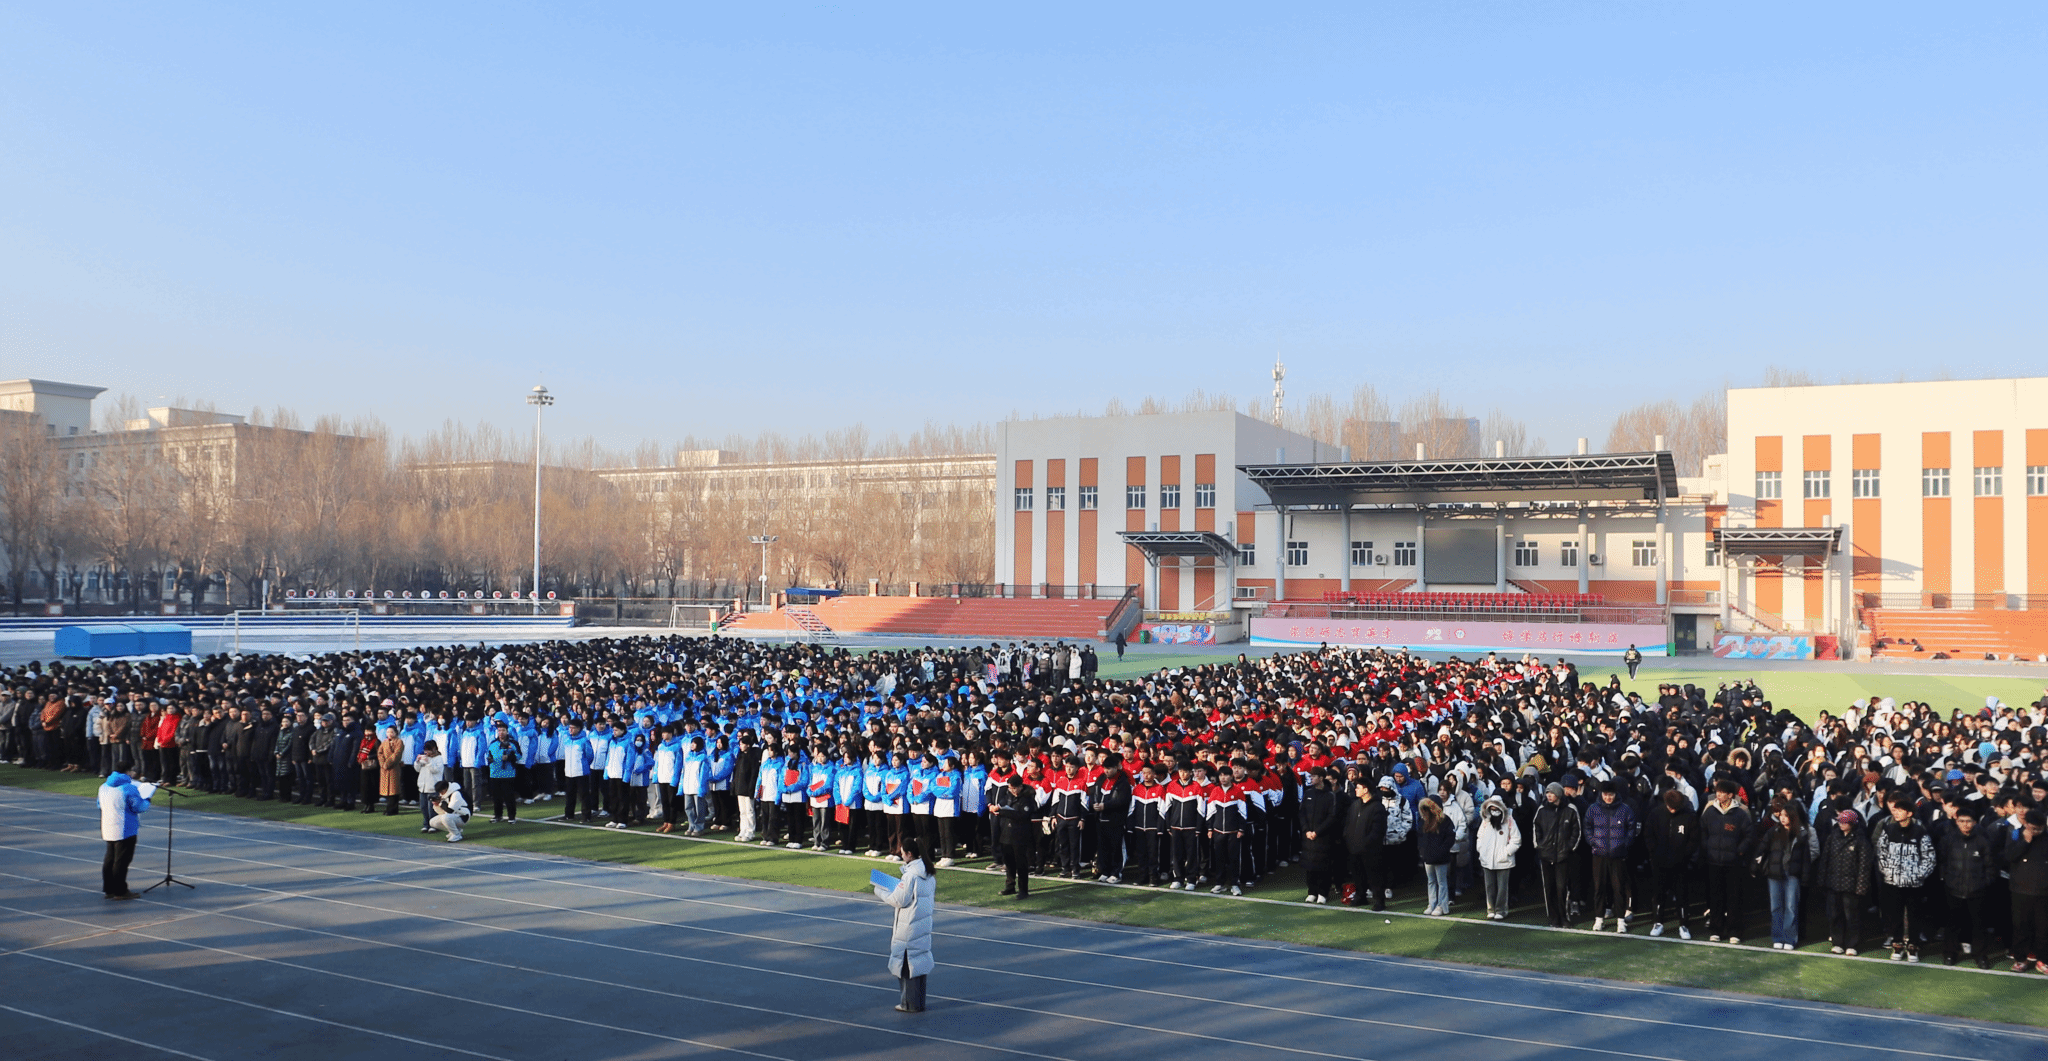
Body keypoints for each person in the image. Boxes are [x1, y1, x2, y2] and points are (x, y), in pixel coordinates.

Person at [876, 835, 937, 1013]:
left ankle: (908, 1004)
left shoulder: (910, 876)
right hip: (922, 924)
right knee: (919, 964)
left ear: (910, 854)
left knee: (907, 966)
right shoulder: (928, 873)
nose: (901, 855)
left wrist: (880, 890)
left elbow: (899, 900)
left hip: (908, 925)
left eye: (902, 852)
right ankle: (918, 1002)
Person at [1873, 792, 1937, 962]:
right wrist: (1888, 872)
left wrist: (1917, 875)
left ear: (1909, 813)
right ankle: (1897, 945)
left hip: (1913, 884)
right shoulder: (1888, 830)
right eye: (1895, 810)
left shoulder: (1920, 832)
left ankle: (1913, 947)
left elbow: (1929, 858)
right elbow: (1881, 853)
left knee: (1915, 916)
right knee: (1894, 915)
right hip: (1892, 882)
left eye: (1900, 810)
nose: (1896, 813)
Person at [1698, 778, 1752, 943]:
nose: (1719, 795)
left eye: (1722, 792)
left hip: (1733, 863)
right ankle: (1716, 930)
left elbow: (1749, 835)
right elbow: (1702, 831)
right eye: (1718, 792)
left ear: (1730, 795)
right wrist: (1707, 847)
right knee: (1716, 898)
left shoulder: (1740, 813)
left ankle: (1734, 931)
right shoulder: (1710, 811)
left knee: (1734, 898)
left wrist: (1739, 851)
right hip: (1713, 862)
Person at [1756, 799, 1811, 950]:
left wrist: (1805, 877)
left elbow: (1806, 858)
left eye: (1786, 815)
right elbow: (1762, 848)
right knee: (1776, 907)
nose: (1782, 818)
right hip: (1774, 873)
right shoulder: (1773, 831)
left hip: (1792, 873)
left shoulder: (1801, 834)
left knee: (1791, 907)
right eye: (1781, 815)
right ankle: (1778, 937)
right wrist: (1756, 864)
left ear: (1792, 817)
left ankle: (1790, 939)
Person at [1584, 780, 1638, 933]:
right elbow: (1587, 827)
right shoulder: (1593, 809)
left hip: (1618, 855)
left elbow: (1631, 829)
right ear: (1601, 794)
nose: (1608, 797)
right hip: (1599, 855)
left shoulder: (1625, 809)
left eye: (1611, 795)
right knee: (1599, 887)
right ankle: (1599, 919)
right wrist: (1593, 842)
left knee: (1618, 887)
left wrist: (1624, 845)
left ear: (1616, 794)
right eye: (1606, 794)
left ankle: (1620, 920)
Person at [1532, 782, 1581, 928]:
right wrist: (1540, 846)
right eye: (1547, 793)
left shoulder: (1570, 809)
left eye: (1552, 793)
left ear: (1558, 794)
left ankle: (1564, 917)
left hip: (1563, 856)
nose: (1549, 795)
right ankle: (1553, 917)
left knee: (1562, 888)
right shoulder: (1542, 809)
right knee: (1549, 888)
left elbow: (1576, 831)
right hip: (1546, 855)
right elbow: (1536, 828)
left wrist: (1569, 848)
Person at [2005, 808, 2048, 974]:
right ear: (2026, 824)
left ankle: (2043, 960)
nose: (2036, 832)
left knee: (2043, 929)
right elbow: (2009, 856)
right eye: (2033, 828)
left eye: (2039, 829)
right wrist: (2025, 841)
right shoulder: (2016, 835)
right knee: (2020, 927)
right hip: (2020, 891)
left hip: (2043, 892)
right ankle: (2020, 959)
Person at [98, 770, 152, 899]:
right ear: (128, 771)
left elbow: (99, 805)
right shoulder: (128, 788)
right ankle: (120, 891)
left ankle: (109, 889)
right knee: (121, 861)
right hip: (125, 828)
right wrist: (147, 799)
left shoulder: (103, 787)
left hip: (108, 826)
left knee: (109, 858)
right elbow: (139, 807)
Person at [1475, 793, 1521, 920]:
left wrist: (1506, 852)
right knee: (1489, 886)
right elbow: (1479, 837)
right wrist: (1481, 850)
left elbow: (1516, 839)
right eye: (1492, 808)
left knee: (1502, 888)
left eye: (1496, 808)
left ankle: (1501, 910)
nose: (1494, 810)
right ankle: (1491, 909)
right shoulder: (1485, 821)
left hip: (1503, 860)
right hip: (1487, 859)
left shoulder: (1509, 820)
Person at [992, 773, 1039, 898]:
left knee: (1021, 864)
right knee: (1009, 863)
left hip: (1020, 834)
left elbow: (1022, 815)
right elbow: (1001, 804)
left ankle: (1023, 889)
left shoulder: (1027, 798)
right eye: (1010, 788)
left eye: (1014, 788)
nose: (1012, 791)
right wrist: (996, 808)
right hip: (1006, 833)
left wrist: (1003, 812)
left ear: (1020, 787)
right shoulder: (1008, 795)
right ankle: (1010, 886)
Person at [1416, 797, 1455, 916]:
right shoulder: (1423, 821)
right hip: (1428, 857)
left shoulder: (1445, 820)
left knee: (1441, 881)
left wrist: (1441, 851)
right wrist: (1422, 852)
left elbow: (1450, 838)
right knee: (1431, 881)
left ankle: (1442, 906)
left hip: (1441, 857)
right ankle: (1432, 904)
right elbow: (1420, 838)